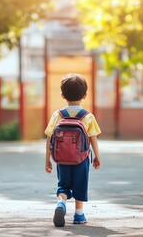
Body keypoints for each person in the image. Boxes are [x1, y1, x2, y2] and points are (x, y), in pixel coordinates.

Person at [44, 73, 102, 227]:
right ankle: (78, 215)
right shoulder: (87, 116)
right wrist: (97, 157)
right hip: (81, 159)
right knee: (80, 185)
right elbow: (93, 139)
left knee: (63, 185)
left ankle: (61, 203)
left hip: (61, 159)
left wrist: (48, 160)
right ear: (85, 95)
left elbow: (50, 139)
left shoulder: (58, 115)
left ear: (63, 95)